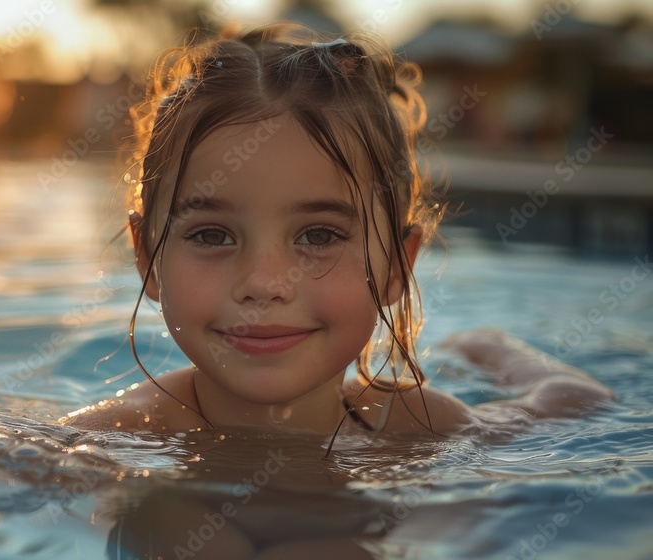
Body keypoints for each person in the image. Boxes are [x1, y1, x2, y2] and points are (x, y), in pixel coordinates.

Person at [60, 22, 612, 449]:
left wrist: (496, 351)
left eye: (319, 235)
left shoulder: (415, 428)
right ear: (146, 257)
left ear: (397, 266)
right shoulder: (115, 439)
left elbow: (576, 399)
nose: (264, 283)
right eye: (211, 235)